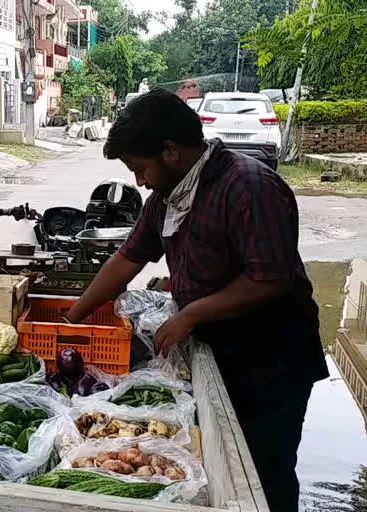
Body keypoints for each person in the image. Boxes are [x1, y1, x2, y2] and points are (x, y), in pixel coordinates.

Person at [65, 89, 327, 512]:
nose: (139, 181)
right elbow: (126, 259)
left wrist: (191, 313)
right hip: (218, 350)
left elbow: (271, 279)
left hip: (273, 362)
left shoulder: (248, 187)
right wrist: (73, 319)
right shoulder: (167, 198)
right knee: (224, 466)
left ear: (170, 151)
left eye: (140, 168)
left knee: (264, 474)